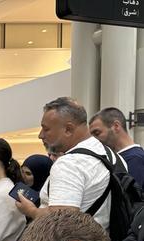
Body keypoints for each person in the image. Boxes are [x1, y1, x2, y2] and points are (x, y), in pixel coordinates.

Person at [17, 97, 122, 232]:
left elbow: (61, 220)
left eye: (46, 129)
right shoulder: (113, 156)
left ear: (68, 129)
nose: (40, 135)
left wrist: (31, 210)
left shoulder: (69, 164)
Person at [90, 107, 144, 186]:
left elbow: (130, 197)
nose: (94, 140)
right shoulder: (116, 158)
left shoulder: (135, 159)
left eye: (97, 133)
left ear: (116, 126)